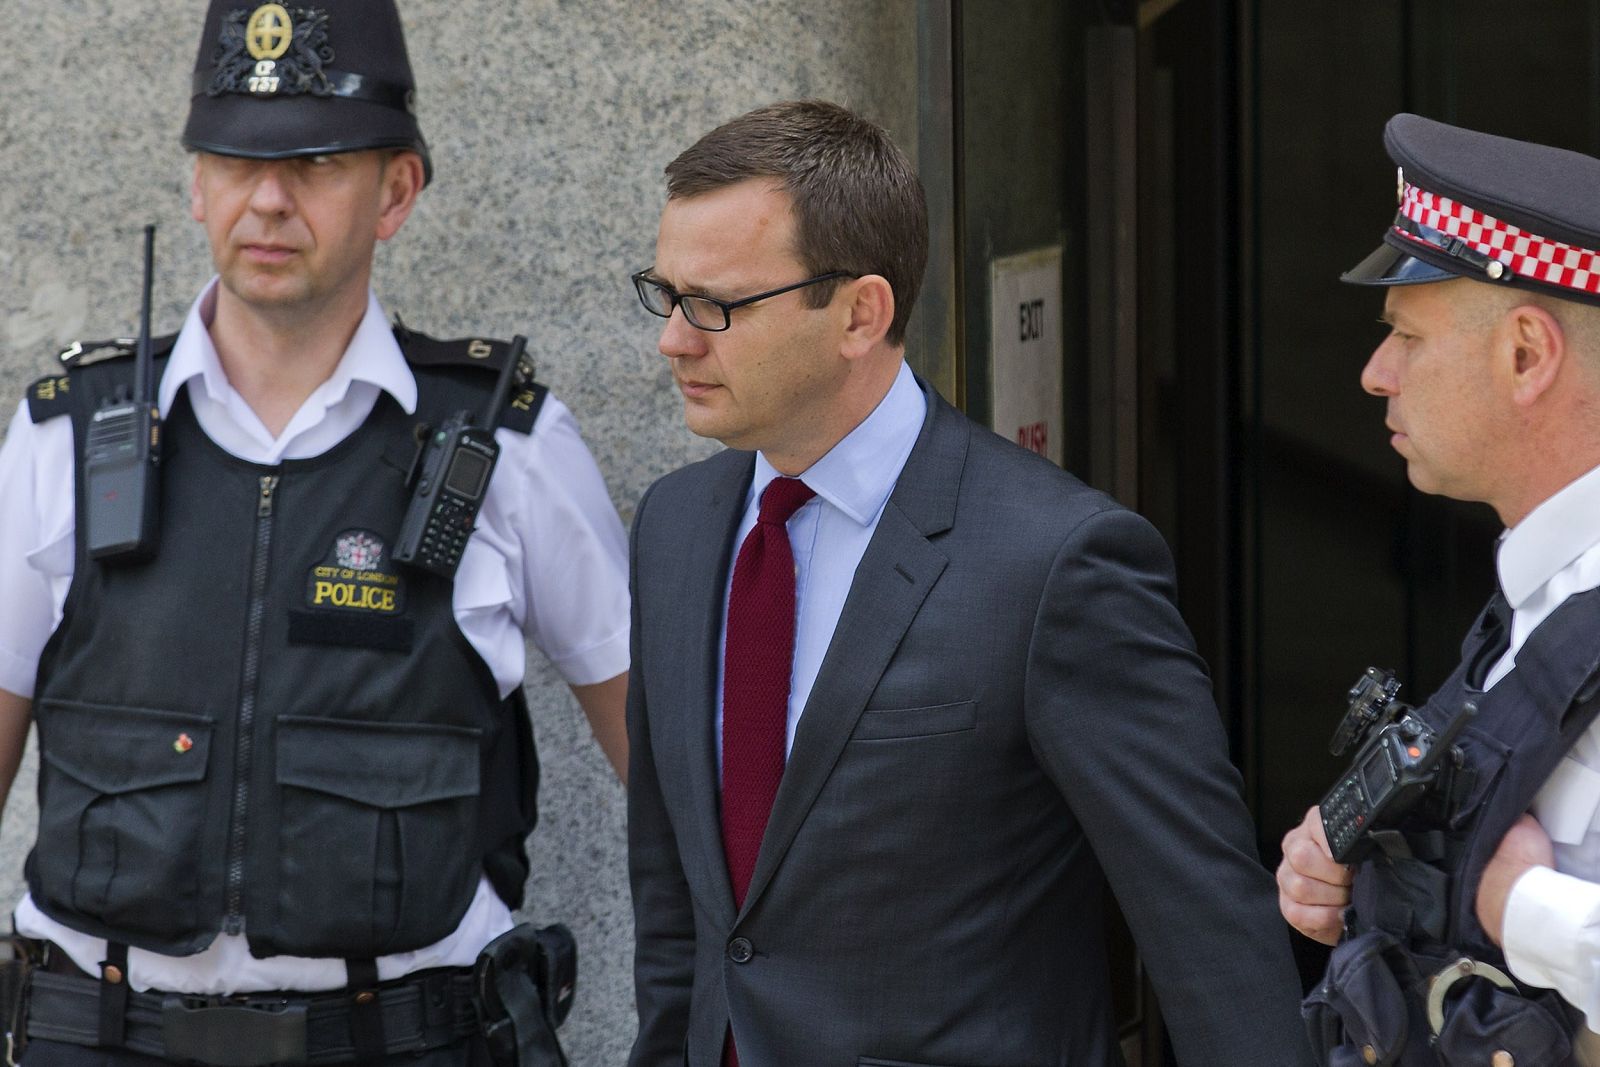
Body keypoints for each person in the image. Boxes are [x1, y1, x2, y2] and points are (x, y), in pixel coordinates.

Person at [0, 2, 629, 1064]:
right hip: (98, 1033)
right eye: (236, 162)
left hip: (404, 1035)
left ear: (396, 192)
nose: (270, 199)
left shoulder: (507, 446)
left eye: (319, 162)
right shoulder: (65, 433)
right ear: (196, 181)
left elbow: (664, 770)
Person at [624, 99, 1313, 1067]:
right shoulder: (674, 528)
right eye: (665, 295)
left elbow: (1203, 925)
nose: (674, 341)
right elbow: (676, 910)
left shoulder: (1057, 562)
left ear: (860, 312)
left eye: (717, 306)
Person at [1278, 114, 1600, 1066]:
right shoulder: (1539, 595)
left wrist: (1521, 906)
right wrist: (1384, 871)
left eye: (1406, 336)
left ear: (1526, 355)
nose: (1376, 374)